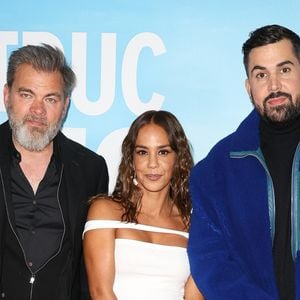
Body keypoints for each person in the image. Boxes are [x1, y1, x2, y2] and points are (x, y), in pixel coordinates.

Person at [188, 24, 300, 300]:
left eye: (284, 70)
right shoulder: (215, 170)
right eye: (261, 75)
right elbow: (210, 261)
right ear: (249, 87)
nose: (274, 86)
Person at [0, 44, 109, 300]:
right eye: (27, 95)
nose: (38, 110)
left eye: (50, 99)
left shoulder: (91, 169)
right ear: (7, 95)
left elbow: (90, 265)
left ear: (65, 105)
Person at [83, 110, 203, 300]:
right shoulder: (106, 211)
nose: (152, 164)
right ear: (132, 159)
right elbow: (100, 292)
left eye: (163, 152)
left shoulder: (192, 222)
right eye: (142, 152)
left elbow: (194, 295)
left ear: (178, 158)